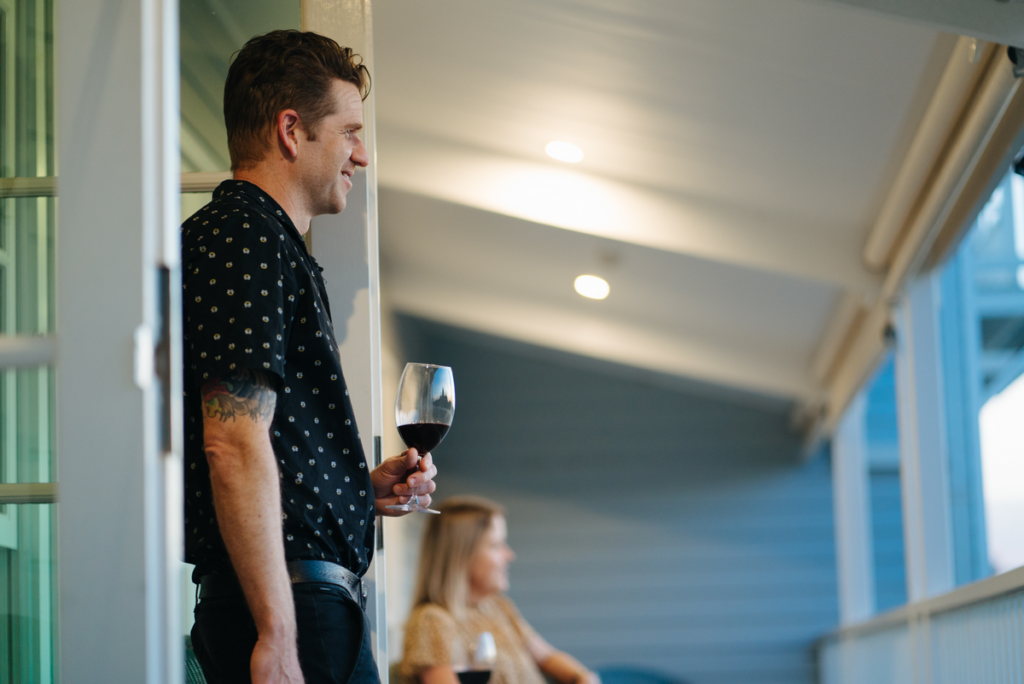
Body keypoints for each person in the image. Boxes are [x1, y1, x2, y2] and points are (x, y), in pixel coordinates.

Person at [182, 30, 436, 684]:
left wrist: (354, 489)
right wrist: (278, 631)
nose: (363, 155)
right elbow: (232, 440)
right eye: (349, 131)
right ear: (291, 130)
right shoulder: (246, 236)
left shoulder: (258, 240)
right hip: (292, 609)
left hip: (299, 602)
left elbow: (262, 438)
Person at [400, 497, 599, 684]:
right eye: (496, 545)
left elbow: (547, 656)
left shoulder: (498, 607)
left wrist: (582, 677)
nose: (509, 555)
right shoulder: (432, 621)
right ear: (462, 555)